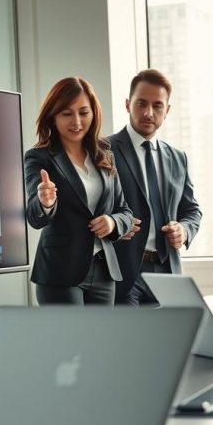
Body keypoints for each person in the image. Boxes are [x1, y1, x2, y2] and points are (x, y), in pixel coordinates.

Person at [24, 77, 133, 305]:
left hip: (104, 271)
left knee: (101, 341)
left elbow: (125, 211)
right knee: (70, 341)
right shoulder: (39, 157)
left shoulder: (104, 154)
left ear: (93, 114)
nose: (76, 121)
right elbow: (35, 215)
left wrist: (113, 223)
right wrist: (46, 202)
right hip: (60, 272)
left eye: (83, 113)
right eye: (66, 113)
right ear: (53, 117)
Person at [109, 69, 202, 305]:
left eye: (157, 106)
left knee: (170, 341)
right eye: (141, 103)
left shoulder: (177, 157)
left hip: (167, 272)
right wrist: (116, 224)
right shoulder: (104, 151)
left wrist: (184, 229)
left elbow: (191, 211)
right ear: (128, 104)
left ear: (167, 110)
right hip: (123, 274)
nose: (149, 113)